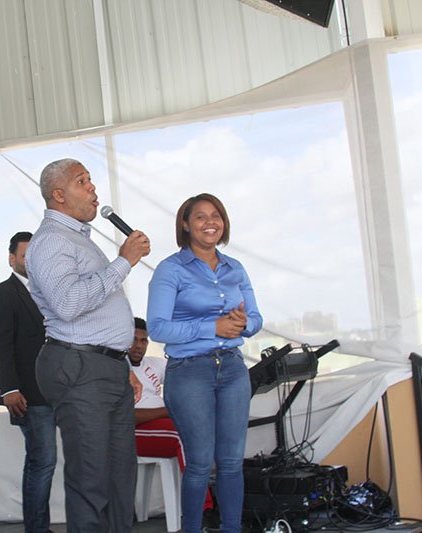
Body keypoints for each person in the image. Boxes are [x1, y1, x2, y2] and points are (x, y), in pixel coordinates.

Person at [25, 158, 149, 533]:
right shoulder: (52, 240)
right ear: (59, 195)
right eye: (82, 181)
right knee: (91, 479)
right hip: (80, 367)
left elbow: (98, 319)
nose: (93, 188)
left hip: (104, 367)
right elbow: (68, 304)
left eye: (91, 180)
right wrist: (123, 262)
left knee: (119, 478)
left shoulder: (78, 239)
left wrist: (120, 365)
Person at [147, 193, 262, 533]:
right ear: (185, 225)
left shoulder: (235, 268)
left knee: (231, 462)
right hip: (189, 371)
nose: (210, 222)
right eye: (200, 216)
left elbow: (256, 319)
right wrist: (212, 327)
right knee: (199, 462)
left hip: (232, 368)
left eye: (216, 215)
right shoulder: (170, 269)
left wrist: (243, 323)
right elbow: (158, 328)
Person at [0, 231, 56, 533]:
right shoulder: (3, 293)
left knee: (48, 461)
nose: (32, 261)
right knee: (43, 460)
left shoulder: (51, 292)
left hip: (57, 389)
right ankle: (37, 529)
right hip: (28, 393)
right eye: (26, 255)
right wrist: (10, 389)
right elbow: (1, 345)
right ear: (12, 259)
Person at [129, 317, 214, 514]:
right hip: (132, 433)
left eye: (143, 341)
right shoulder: (118, 368)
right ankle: (204, 510)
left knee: (202, 427)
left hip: (162, 424)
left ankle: (216, 499)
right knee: (182, 435)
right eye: (133, 340)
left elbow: (187, 379)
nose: (138, 346)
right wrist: (169, 410)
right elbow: (126, 417)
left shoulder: (154, 364)